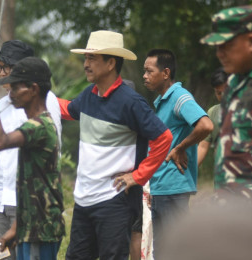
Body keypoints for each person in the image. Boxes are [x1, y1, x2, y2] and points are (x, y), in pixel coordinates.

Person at [59, 30, 173, 260]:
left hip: (114, 202)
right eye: (86, 58)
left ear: (111, 63)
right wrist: (39, 96)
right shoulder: (89, 95)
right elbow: (68, 110)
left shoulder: (130, 102)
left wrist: (138, 176)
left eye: (92, 58)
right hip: (83, 200)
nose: (86, 64)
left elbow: (164, 138)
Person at [0, 57, 65, 259]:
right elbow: (31, 188)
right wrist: (16, 228)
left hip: (41, 230)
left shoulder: (39, 126)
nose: (11, 95)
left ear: (34, 89)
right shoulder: (34, 124)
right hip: (31, 228)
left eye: (16, 88)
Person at [143, 49, 213, 258]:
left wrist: (181, 147)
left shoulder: (180, 97)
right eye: (143, 71)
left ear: (165, 73)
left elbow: (206, 125)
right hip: (161, 187)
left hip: (173, 186)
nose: (144, 76)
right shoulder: (163, 101)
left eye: (149, 71)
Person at [200, 6, 252, 201]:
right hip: (229, 207)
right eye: (217, 47)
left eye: (225, 46)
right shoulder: (234, 83)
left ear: (251, 41)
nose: (219, 54)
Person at [197, 68, 228, 166]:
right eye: (218, 93)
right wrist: (189, 171)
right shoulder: (213, 113)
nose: (223, 96)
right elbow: (203, 146)